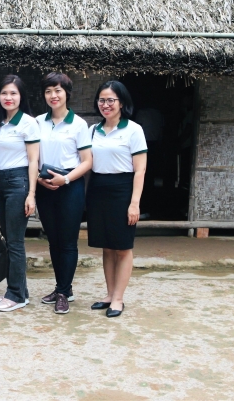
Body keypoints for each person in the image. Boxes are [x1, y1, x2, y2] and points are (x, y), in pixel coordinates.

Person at [87, 80, 147, 318]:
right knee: (107, 246)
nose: (106, 105)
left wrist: (134, 203)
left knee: (122, 247)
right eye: (102, 100)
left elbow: (140, 170)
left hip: (122, 190)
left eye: (111, 100)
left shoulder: (133, 130)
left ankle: (119, 299)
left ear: (122, 103)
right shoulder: (93, 130)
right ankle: (110, 294)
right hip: (98, 188)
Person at [34, 72, 93, 315]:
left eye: (58, 90)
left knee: (68, 241)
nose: (53, 95)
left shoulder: (78, 124)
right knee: (53, 240)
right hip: (45, 185)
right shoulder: (38, 122)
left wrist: (66, 179)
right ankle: (63, 288)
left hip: (70, 185)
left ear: (67, 93)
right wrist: (38, 178)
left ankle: (63, 292)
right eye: (48, 91)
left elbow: (87, 161)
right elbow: (32, 157)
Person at [0, 75, 41, 312]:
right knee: (9, 239)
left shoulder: (28, 123)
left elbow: (33, 160)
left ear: (21, 96)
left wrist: (31, 193)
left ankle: (16, 295)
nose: (8, 98)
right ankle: (21, 290)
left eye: (13, 93)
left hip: (18, 182)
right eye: (4, 93)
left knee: (15, 242)